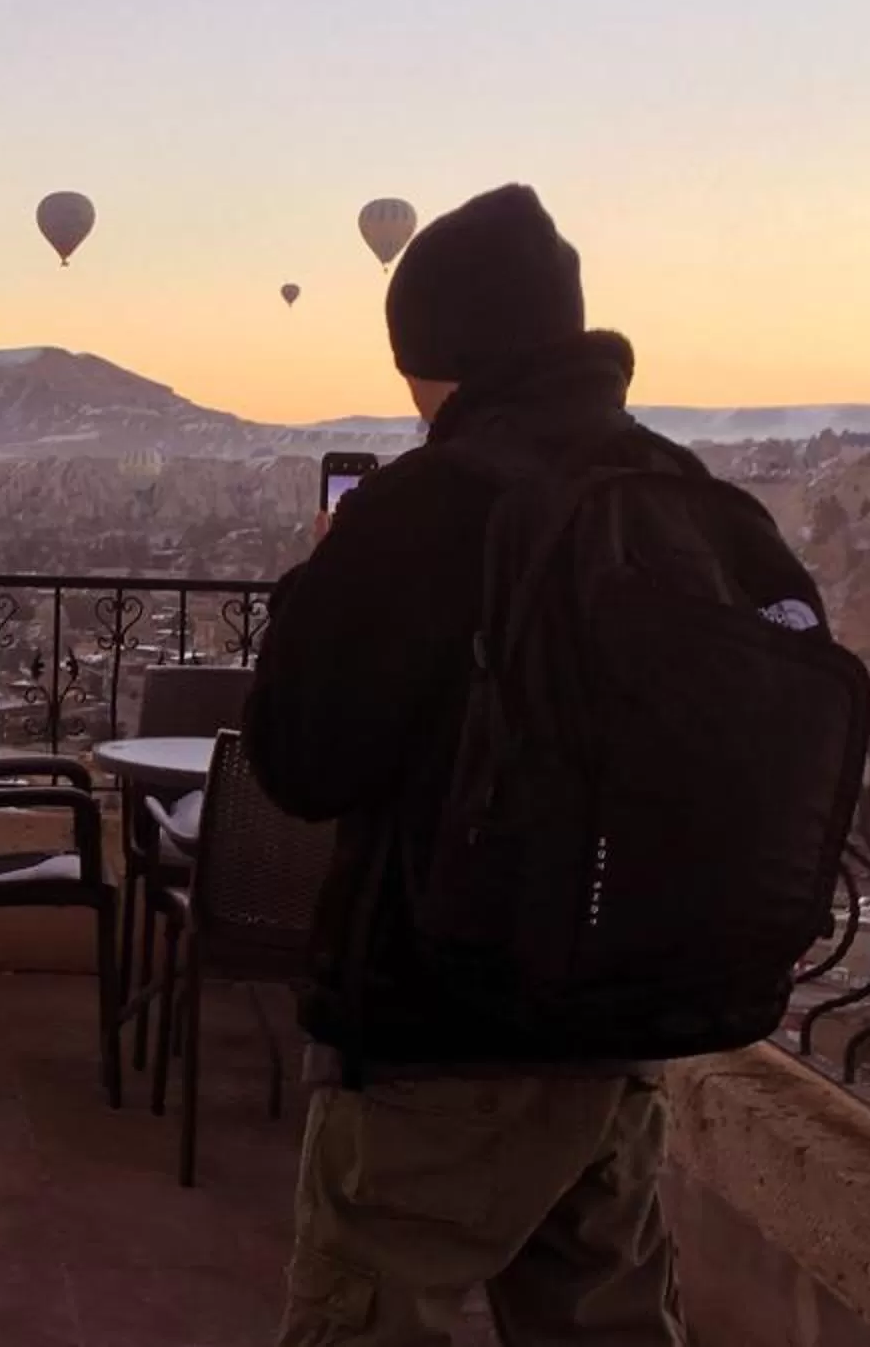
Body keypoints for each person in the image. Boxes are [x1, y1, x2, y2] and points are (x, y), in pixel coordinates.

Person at [246, 186, 692, 1346]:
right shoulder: (675, 494)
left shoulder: (433, 506)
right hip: (622, 1030)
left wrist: (321, 591)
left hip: (440, 1032)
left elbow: (299, 759)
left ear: (432, 352)